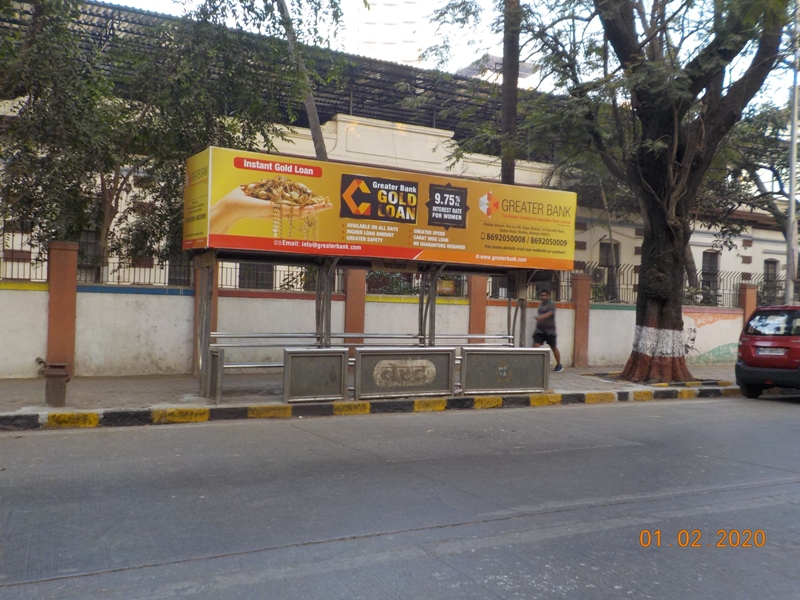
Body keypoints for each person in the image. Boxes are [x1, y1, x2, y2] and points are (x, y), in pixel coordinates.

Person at [533, 288, 563, 372]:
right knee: (536, 345)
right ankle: (536, 365)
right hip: (540, 330)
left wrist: (541, 317)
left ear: (548, 296)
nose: (543, 297)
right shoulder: (541, 305)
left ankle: (559, 365)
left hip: (550, 331)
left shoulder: (551, 304)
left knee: (553, 347)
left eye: (545, 295)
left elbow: (550, 313)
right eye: (542, 295)